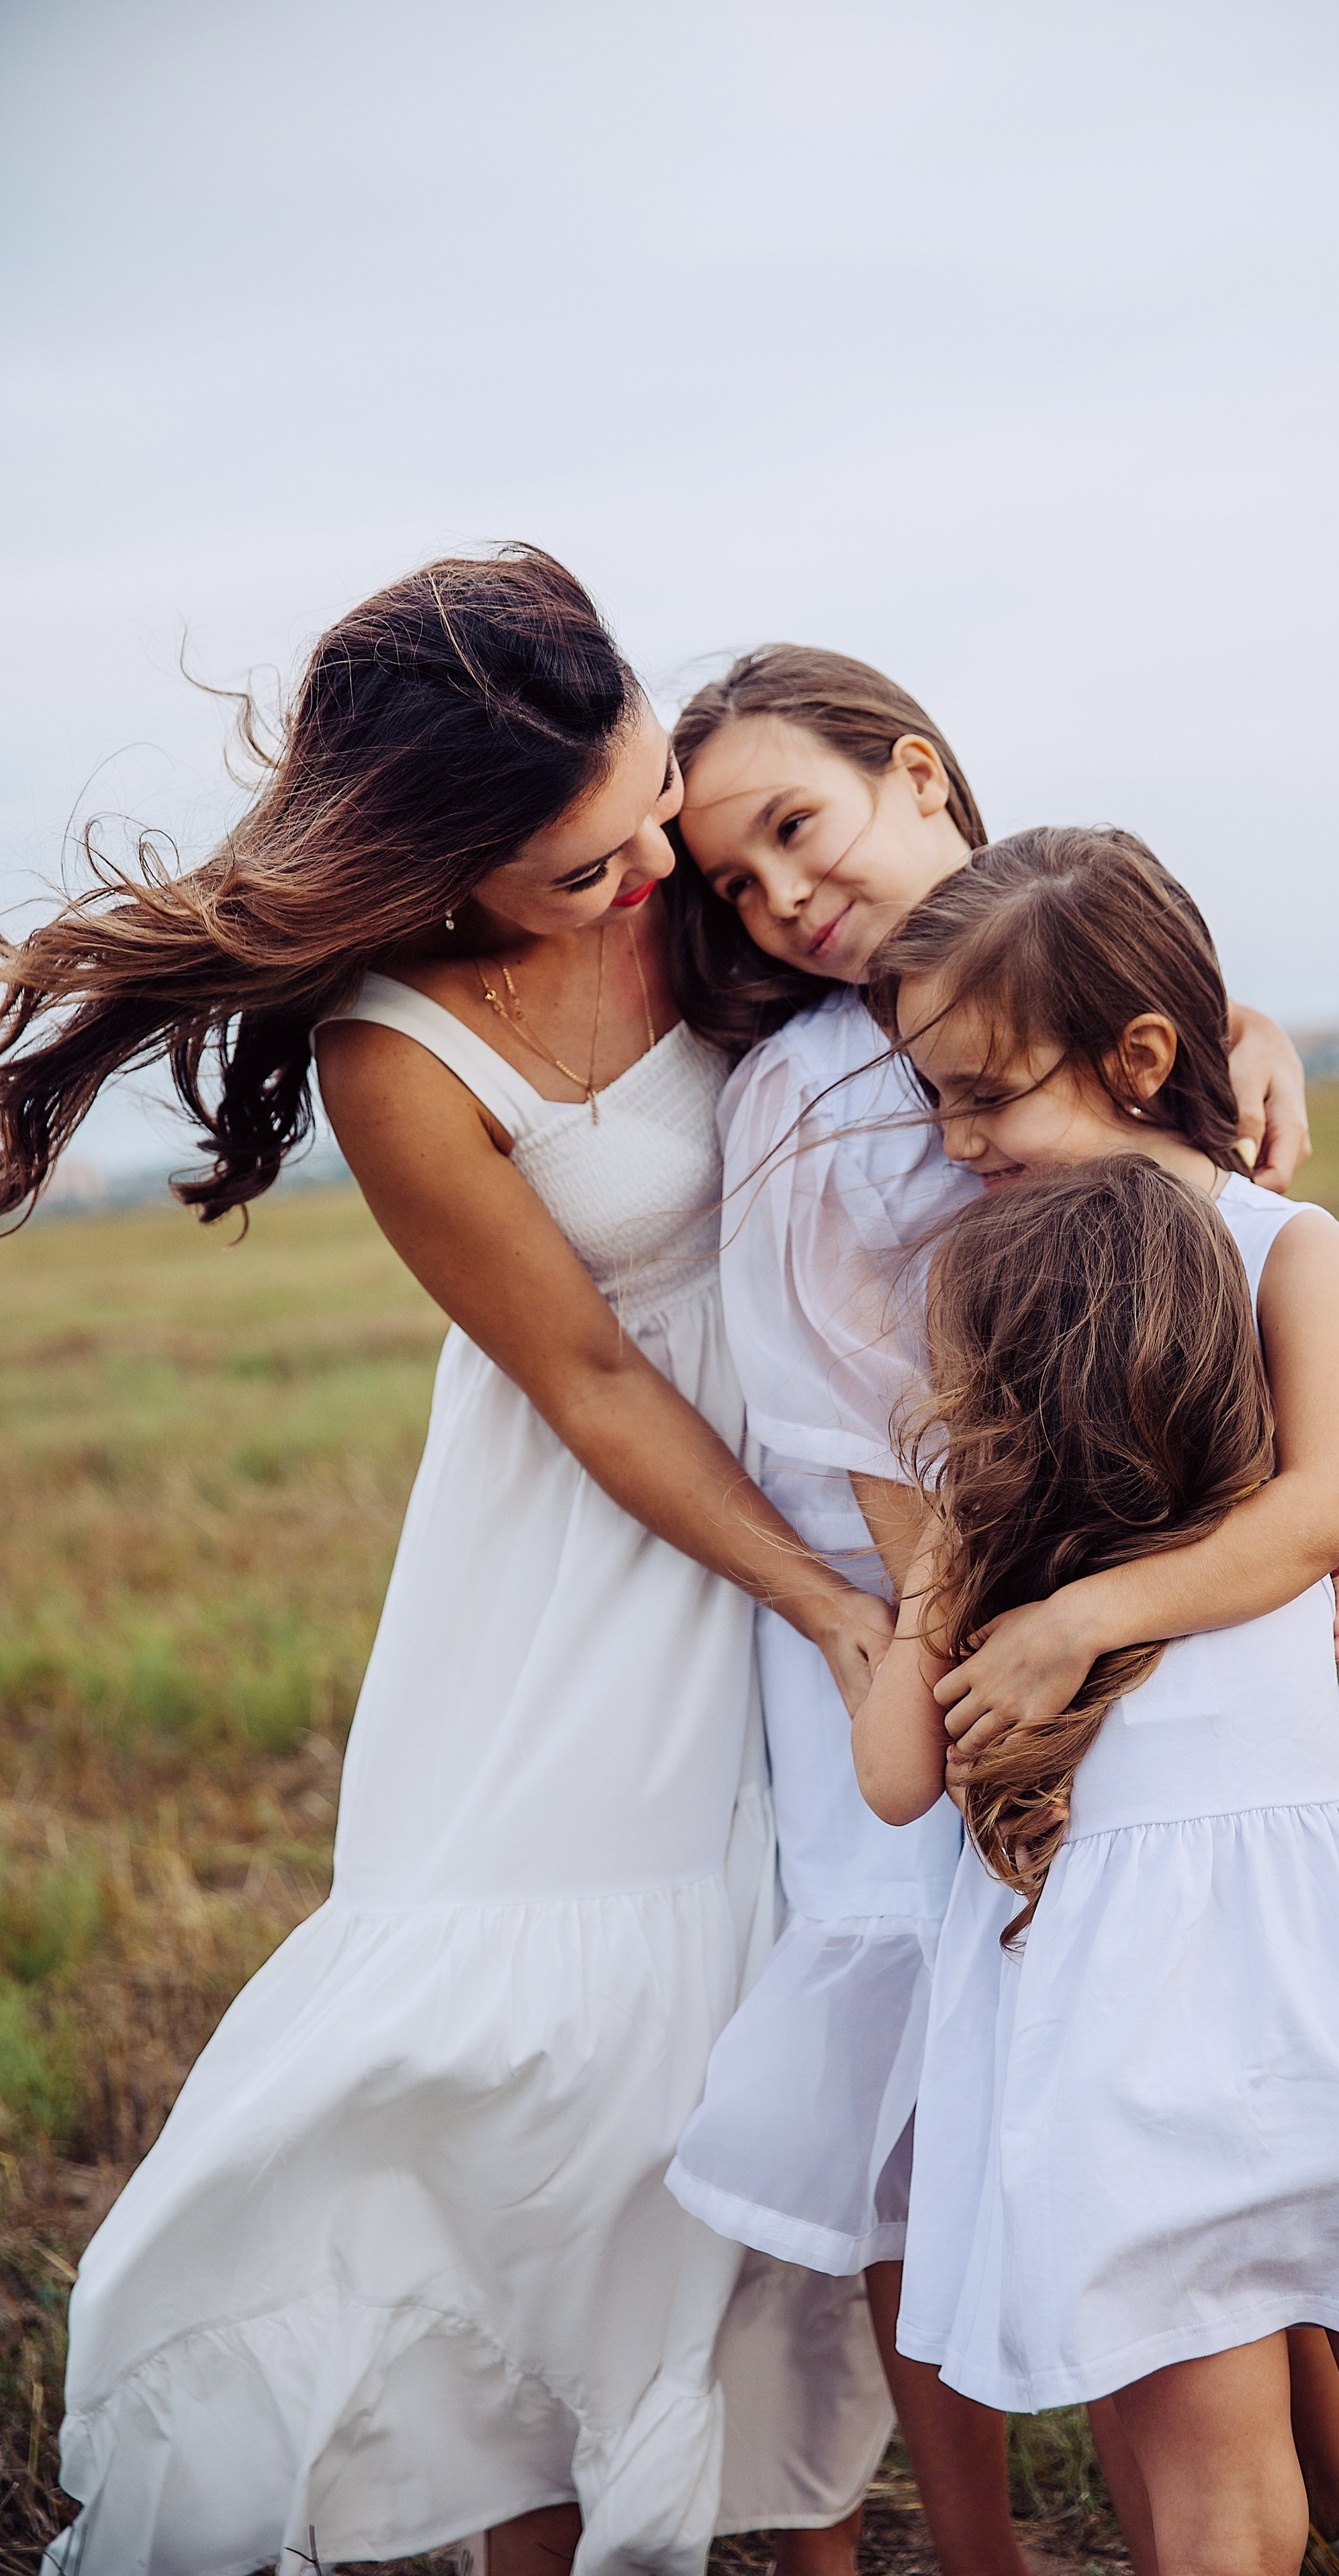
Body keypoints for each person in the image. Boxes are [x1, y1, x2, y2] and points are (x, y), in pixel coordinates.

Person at [0, 552, 898, 2576]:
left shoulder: (715, 880)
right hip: (582, 1584)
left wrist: (1232, 1031)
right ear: (444, 872)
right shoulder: (397, 1052)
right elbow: (583, 1375)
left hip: (814, 1486)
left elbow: (990, 943)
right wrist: (827, 1605)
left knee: (763, 2035)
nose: (654, 873)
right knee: (531, 2076)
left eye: (650, 802)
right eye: (580, 874)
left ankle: (781, 2501)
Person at [663, 658, 1339, 2571]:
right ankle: (1011, 2539)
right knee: (943, 2081)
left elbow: (1177, 1171)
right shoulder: (816, 1100)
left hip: (1150, 1586)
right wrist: (1011, 1630)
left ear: (919, 772)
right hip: (935, 1590)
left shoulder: (1082, 980)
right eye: (730, 886)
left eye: (794, 831)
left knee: (1200, 2029)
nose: (776, 902)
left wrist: (1267, 1546)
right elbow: (856, 1439)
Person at [851, 828, 1339, 2576]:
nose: (957, 1143)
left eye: (981, 1094)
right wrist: (1313, 1553)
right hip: (1305, 1934)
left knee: (1239, 2517)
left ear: (1138, 1060)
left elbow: (1326, 1516)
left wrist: (1053, 1614)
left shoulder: (1170, 1265)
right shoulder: (1084, 1264)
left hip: (1134, 1969)